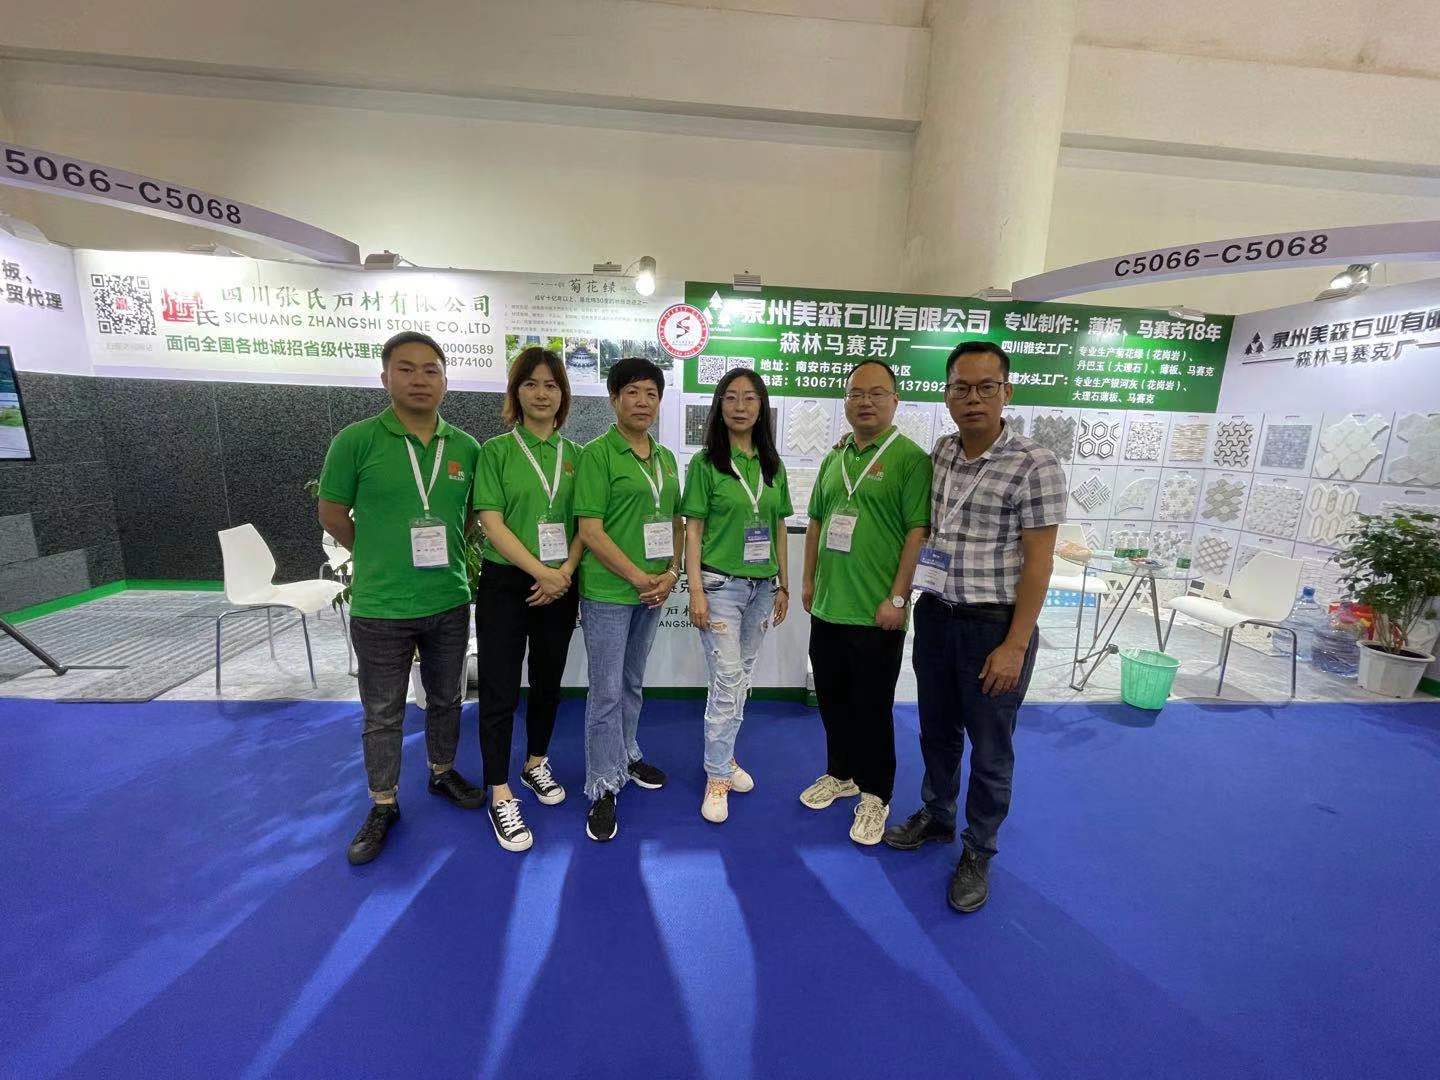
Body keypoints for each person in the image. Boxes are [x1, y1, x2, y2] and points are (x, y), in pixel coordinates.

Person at [883, 341, 1065, 914]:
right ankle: (937, 815)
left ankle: (979, 848)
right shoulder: (941, 452)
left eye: (987, 387)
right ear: (947, 395)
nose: (974, 398)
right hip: (937, 615)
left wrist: (1015, 644)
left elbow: (1039, 564)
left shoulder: (1036, 464)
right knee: (936, 731)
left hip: (994, 626)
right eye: (962, 387)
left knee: (990, 747)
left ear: (1007, 393)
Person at [317, 331, 485, 866]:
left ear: (445, 381)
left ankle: (441, 771)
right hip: (381, 605)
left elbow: (468, 519)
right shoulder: (356, 441)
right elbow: (332, 513)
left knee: (446, 698)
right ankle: (383, 802)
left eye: (431, 370)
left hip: (447, 597)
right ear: (385, 377)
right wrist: (378, 553)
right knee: (383, 713)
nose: (419, 379)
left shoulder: (466, 448)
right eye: (406, 369)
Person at [800, 359, 932, 846]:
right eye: (856, 393)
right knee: (832, 700)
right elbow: (817, 522)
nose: (865, 402)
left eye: (877, 393)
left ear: (895, 401)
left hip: (878, 613)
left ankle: (876, 794)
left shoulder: (911, 460)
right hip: (829, 607)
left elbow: (917, 532)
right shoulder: (835, 458)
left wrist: (899, 597)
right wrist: (809, 581)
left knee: (872, 708)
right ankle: (841, 774)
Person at [471, 347, 584, 852]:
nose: (542, 393)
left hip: (561, 581)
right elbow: (490, 522)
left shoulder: (577, 456)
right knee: (499, 688)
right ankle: (499, 790)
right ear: (516, 392)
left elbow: (587, 524)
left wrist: (564, 573)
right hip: (507, 582)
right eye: (531, 383)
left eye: (551, 385)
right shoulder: (495, 451)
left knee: (547, 682)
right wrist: (542, 572)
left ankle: (536, 762)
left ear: (563, 395)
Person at [572, 356, 683, 842]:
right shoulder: (597, 455)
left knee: (633, 681)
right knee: (606, 690)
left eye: (651, 393)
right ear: (614, 399)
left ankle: (627, 753)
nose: (642, 402)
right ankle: (602, 784)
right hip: (609, 593)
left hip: (653, 591)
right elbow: (590, 531)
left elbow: (676, 522)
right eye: (632, 392)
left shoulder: (666, 459)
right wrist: (640, 577)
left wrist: (671, 573)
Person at [682, 368, 792, 824]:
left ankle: (725, 759)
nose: (740, 406)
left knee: (741, 679)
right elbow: (693, 531)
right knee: (727, 682)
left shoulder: (772, 465)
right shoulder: (706, 464)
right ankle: (716, 775)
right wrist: (695, 590)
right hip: (720, 587)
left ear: (761, 406)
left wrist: (783, 582)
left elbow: (778, 526)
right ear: (719, 406)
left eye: (749, 397)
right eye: (730, 397)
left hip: (762, 588)